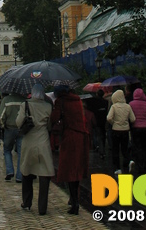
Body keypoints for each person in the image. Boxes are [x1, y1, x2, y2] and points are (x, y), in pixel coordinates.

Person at [16, 83, 55, 216]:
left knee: (26, 172)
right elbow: (50, 126)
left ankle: (27, 202)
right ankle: (42, 207)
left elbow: (18, 122)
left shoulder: (25, 105)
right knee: (44, 175)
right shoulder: (48, 106)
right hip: (43, 141)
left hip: (29, 141)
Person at [50, 85, 90, 215]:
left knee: (69, 169)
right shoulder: (77, 99)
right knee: (77, 169)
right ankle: (74, 199)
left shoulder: (60, 101)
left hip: (69, 137)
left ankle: (74, 202)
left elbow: (54, 118)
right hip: (82, 136)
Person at [106, 89, 135, 174]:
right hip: (125, 130)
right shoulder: (128, 106)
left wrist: (114, 123)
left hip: (116, 130)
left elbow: (108, 118)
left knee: (115, 150)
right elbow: (133, 119)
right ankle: (130, 161)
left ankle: (118, 169)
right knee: (124, 149)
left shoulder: (114, 107)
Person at [0, 91, 25, 182]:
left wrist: (3, 126)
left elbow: (1, 116)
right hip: (21, 129)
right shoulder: (23, 100)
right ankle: (19, 176)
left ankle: (9, 171)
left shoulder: (6, 100)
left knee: (7, 150)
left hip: (9, 128)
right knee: (21, 152)